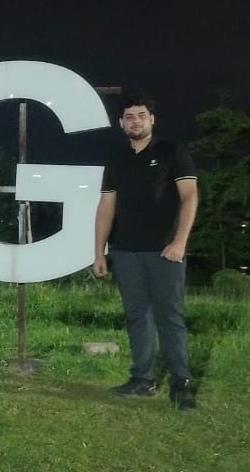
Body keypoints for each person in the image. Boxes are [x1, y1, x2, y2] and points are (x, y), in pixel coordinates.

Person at [93, 94, 199, 410]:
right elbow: (106, 207)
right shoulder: (116, 158)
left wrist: (180, 242)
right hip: (125, 251)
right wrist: (99, 252)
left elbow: (190, 196)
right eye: (129, 116)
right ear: (121, 123)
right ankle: (142, 379)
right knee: (137, 316)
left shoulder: (172, 151)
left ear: (152, 119)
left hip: (165, 250)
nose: (135, 121)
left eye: (141, 115)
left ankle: (182, 383)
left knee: (170, 316)